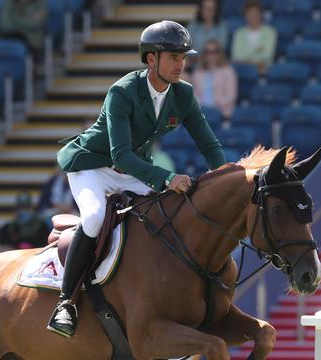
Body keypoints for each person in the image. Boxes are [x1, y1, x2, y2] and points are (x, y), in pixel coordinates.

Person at [46, 20, 226, 338]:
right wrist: (168, 177)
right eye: (174, 57)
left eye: (184, 57)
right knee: (93, 217)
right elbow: (121, 156)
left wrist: (225, 177)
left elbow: (208, 144)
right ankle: (66, 303)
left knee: (170, 211)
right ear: (151, 59)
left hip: (132, 171)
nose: (181, 64)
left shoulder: (182, 94)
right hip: (93, 168)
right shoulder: (123, 91)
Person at [192, 40, 238, 119]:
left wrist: (216, 104)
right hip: (201, 111)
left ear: (219, 53)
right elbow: (193, 95)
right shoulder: (198, 73)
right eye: (207, 52)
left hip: (221, 111)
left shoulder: (228, 71)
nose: (210, 55)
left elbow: (231, 96)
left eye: (213, 51)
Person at [231, 0, 277, 72]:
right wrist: (257, 52)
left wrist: (246, 58)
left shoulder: (270, 32)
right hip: (243, 70)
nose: (253, 17)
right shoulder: (239, 34)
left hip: (263, 70)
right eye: (249, 14)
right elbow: (236, 56)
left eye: (255, 14)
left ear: (261, 14)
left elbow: (268, 56)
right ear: (245, 16)